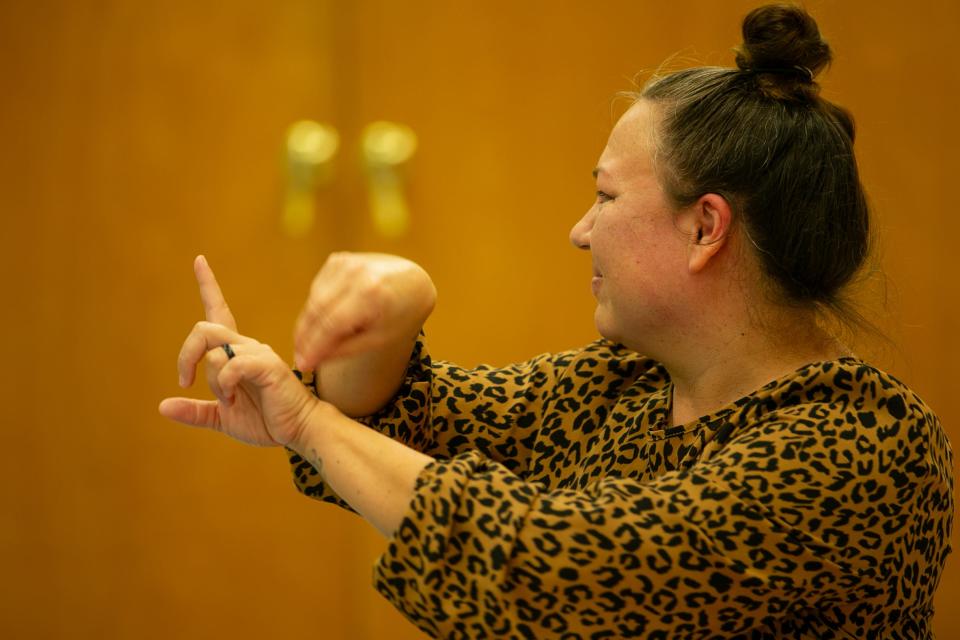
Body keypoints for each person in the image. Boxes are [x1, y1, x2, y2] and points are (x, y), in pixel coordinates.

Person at [160, 4, 953, 638]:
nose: (582, 229)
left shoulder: (864, 446)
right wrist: (390, 317)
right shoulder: (630, 382)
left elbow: (556, 573)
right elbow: (399, 428)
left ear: (706, 228)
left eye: (607, 197)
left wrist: (304, 422)